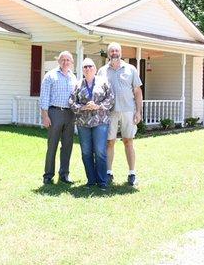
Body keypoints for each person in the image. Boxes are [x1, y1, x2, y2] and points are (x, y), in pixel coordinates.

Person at [97, 42, 143, 186]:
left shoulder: (131, 69)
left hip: (128, 110)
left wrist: (138, 111)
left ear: (121, 53)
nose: (114, 53)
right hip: (109, 112)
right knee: (109, 142)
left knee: (128, 141)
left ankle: (132, 173)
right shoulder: (102, 71)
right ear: (108, 53)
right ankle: (109, 172)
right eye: (112, 51)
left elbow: (137, 92)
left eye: (117, 50)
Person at [69, 58, 114, 189]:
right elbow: (71, 101)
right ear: (82, 70)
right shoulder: (78, 85)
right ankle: (91, 180)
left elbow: (111, 98)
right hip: (83, 123)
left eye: (90, 66)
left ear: (95, 68)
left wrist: (98, 106)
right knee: (86, 152)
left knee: (100, 151)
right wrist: (82, 108)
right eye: (85, 67)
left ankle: (102, 181)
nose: (88, 69)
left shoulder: (103, 82)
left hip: (100, 121)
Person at [40, 51, 77, 184]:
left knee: (67, 145)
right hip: (54, 113)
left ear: (72, 62)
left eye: (68, 60)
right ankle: (48, 175)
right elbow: (44, 97)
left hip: (70, 114)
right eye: (63, 59)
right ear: (59, 61)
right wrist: (45, 116)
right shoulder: (50, 76)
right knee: (52, 145)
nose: (65, 62)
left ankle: (64, 174)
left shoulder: (73, 77)